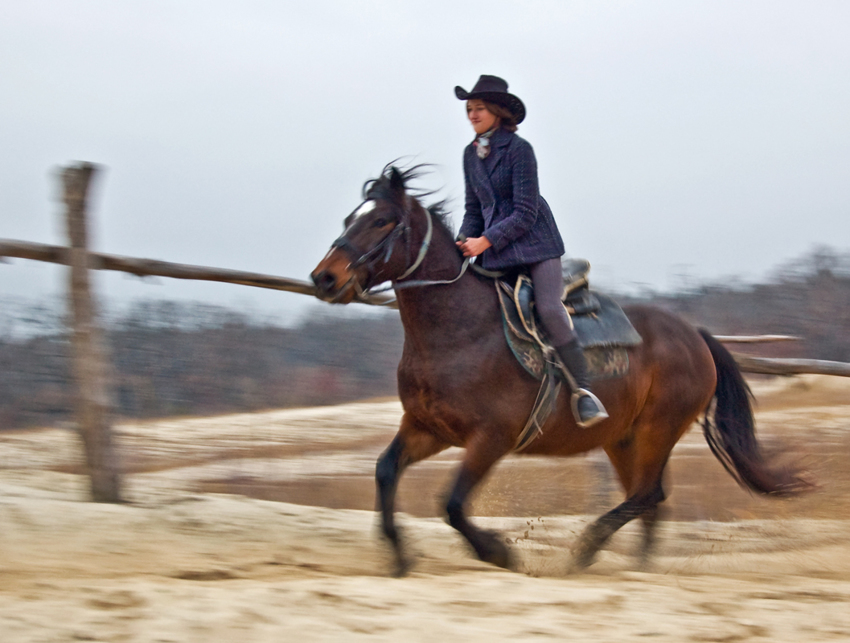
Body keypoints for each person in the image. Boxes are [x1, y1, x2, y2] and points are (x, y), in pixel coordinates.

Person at [454, 74, 608, 428]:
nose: (472, 114)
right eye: (469, 109)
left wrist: (485, 241)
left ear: (496, 112)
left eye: (478, 108)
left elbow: (525, 212)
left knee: (550, 308)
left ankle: (585, 394)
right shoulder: (469, 155)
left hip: (536, 245)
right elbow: (474, 208)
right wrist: (464, 238)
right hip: (494, 250)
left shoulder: (520, 150)